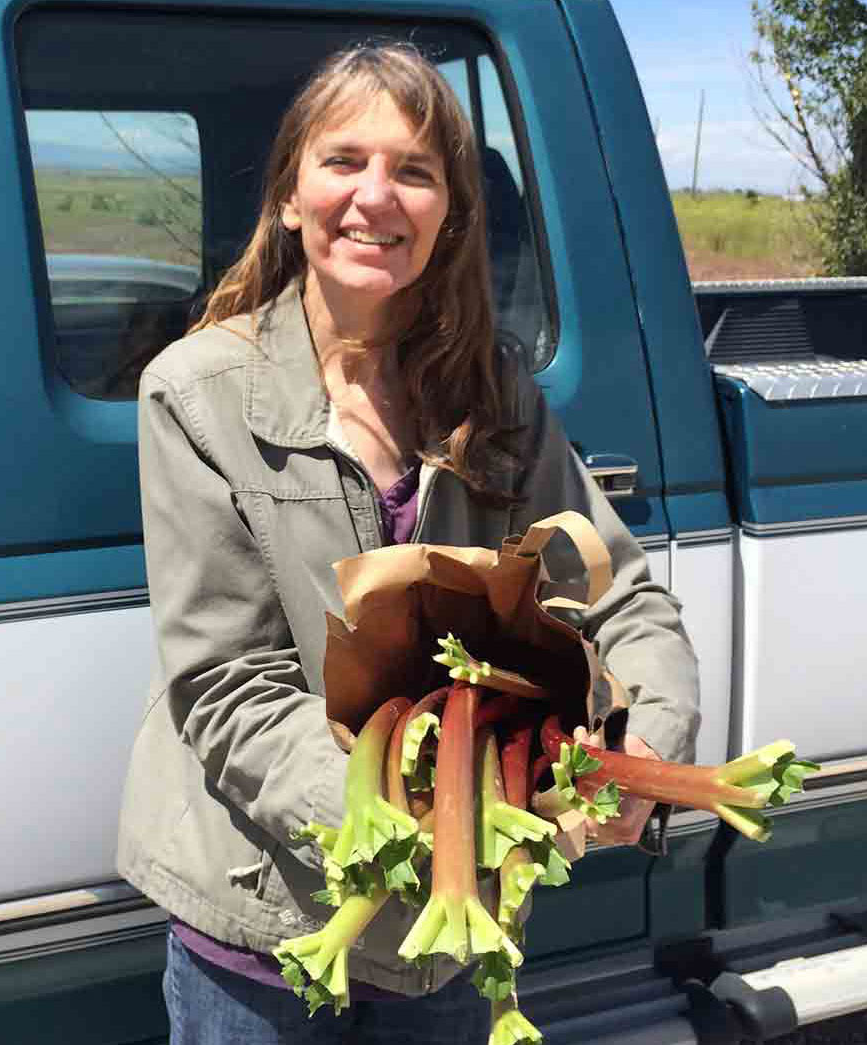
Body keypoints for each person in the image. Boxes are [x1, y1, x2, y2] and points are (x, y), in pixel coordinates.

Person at [115, 41, 700, 1044]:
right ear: (291, 195)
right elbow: (227, 684)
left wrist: (646, 743)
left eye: (415, 171)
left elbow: (621, 598)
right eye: (344, 160)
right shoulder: (197, 394)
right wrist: (413, 811)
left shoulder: (499, 400)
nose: (374, 195)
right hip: (268, 931)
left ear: (450, 214)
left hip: (451, 944)